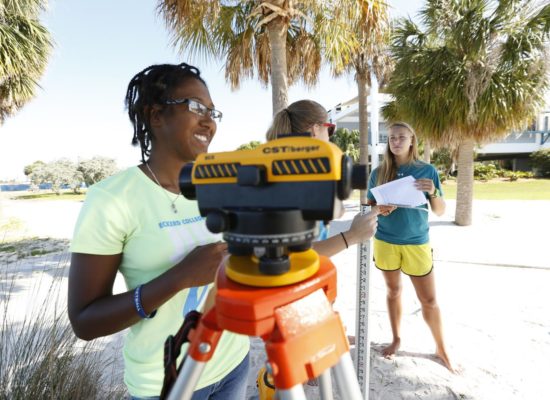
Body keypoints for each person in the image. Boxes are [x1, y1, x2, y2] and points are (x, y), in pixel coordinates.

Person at [67, 63, 250, 399]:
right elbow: (85, 321)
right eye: (196, 107)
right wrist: (179, 277)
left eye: (213, 112)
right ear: (156, 116)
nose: (208, 121)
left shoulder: (221, 183)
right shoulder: (111, 200)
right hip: (166, 383)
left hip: (233, 362)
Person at [366, 121, 454, 372]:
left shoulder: (426, 170)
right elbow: (368, 209)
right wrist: (378, 209)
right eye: (392, 137)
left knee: (429, 299)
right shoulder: (378, 172)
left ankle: (441, 348)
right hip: (385, 241)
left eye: (401, 137)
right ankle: (396, 339)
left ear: (412, 140)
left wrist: (434, 192)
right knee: (393, 292)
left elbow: (438, 211)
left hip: (417, 242)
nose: (396, 142)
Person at [266, 99, 379, 257]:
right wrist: (353, 235)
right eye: (330, 129)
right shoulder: (289, 182)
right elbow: (294, 255)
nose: (330, 137)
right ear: (315, 130)